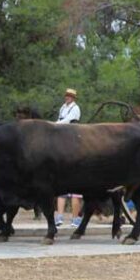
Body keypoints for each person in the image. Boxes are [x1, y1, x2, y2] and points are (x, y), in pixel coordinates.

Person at [55, 88, 82, 227]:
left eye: (70, 96)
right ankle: (59, 216)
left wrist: (54, 125)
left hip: (70, 134)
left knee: (75, 192)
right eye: (67, 96)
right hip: (61, 133)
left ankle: (75, 218)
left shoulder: (75, 109)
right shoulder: (63, 107)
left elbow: (68, 121)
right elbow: (60, 119)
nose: (68, 98)